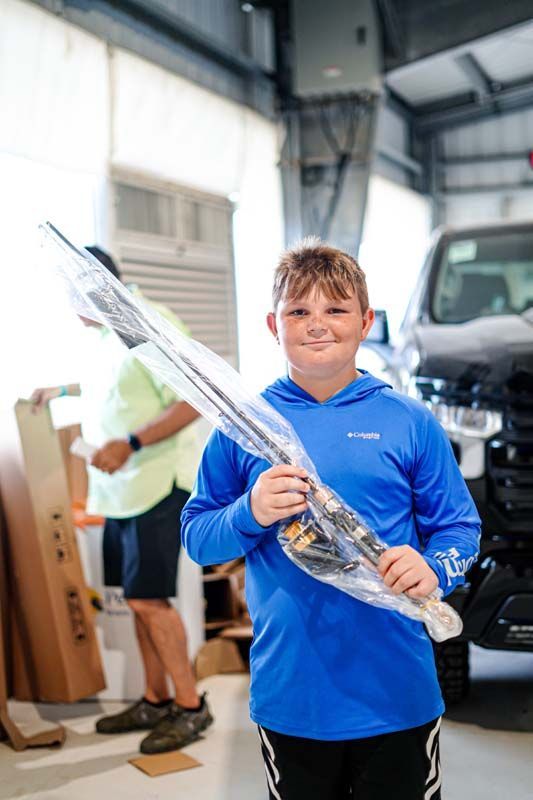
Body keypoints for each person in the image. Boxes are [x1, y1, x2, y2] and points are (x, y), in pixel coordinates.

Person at [181, 238, 480, 799]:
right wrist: (250, 511)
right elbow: (198, 540)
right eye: (299, 311)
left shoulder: (409, 422)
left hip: (397, 692)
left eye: (336, 310)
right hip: (292, 695)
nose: (317, 325)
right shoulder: (243, 428)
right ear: (275, 324)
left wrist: (435, 568)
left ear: (365, 321)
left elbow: (461, 529)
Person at [31, 246, 213, 754]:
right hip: (119, 492)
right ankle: (155, 700)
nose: (71, 308)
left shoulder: (145, 323)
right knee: (134, 602)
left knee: (150, 601)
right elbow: (113, 388)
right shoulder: (105, 335)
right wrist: (61, 389)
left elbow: (193, 395)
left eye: (73, 295)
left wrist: (130, 443)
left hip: (158, 483)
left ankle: (191, 707)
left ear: (96, 286)